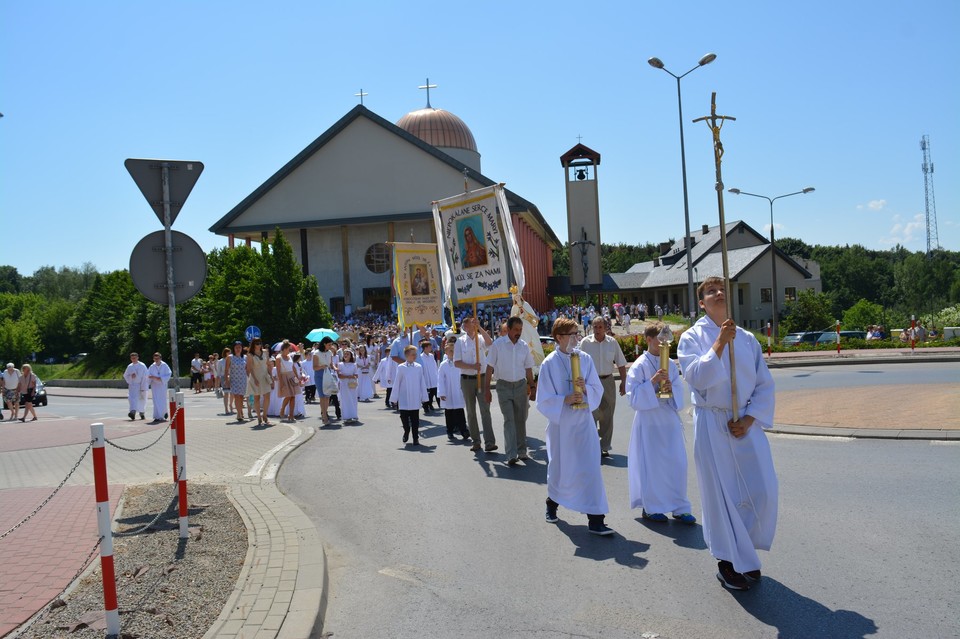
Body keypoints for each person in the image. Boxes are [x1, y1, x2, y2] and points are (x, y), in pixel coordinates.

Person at [677, 276, 778, 591]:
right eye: (711, 291)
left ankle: (744, 553)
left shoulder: (748, 339)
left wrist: (749, 419)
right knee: (723, 496)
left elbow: (764, 384)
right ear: (702, 301)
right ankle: (728, 561)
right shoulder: (691, 338)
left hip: (744, 424)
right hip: (713, 423)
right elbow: (697, 377)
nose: (718, 293)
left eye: (722, 289)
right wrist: (719, 344)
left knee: (761, 490)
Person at [537, 317, 613, 536]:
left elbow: (597, 389)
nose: (576, 337)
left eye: (577, 333)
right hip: (562, 426)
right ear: (559, 337)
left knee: (590, 467)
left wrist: (586, 389)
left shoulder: (585, 359)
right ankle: (552, 503)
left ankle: (596, 519)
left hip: (583, 423)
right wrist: (563, 400)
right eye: (572, 334)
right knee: (561, 468)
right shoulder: (549, 363)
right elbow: (543, 399)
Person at [626, 323, 696, 525]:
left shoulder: (671, 364)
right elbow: (633, 397)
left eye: (666, 338)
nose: (664, 342)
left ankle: (679, 507)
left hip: (668, 419)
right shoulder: (639, 365)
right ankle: (652, 507)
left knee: (677, 463)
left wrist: (670, 388)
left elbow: (679, 391)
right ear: (649, 340)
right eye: (660, 338)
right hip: (649, 420)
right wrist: (654, 381)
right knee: (653, 465)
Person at [484, 316, 535, 465]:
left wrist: (532, 386)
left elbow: (528, 368)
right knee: (509, 420)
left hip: (520, 386)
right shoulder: (498, 345)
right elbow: (489, 368)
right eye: (515, 330)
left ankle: (521, 451)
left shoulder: (524, 346)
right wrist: (487, 390)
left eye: (520, 330)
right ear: (509, 330)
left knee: (520, 419)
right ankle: (511, 454)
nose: (518, 332)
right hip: (503, 387)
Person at [578, 316, 627, 459]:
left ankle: (604, 446)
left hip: (608, 381)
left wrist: (624, 382)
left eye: (600, 327)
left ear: (606, 328)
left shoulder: (612, 343)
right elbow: (576, 363)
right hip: (590, 383)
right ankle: (593, 445)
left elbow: (621, 363)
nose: (597, 329)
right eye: (595, 326)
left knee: (607, 414)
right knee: (591, 414)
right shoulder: (585, 343)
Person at [454, 316, 496, 453]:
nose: (469, 328)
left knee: (485, 410)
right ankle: (476, 441)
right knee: (471, 412)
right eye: (467, 326)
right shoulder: (460, 342)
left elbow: (490, 343)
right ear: (464, 327)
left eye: (471, 325)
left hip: (482, 378)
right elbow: (457, 362)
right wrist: (472, 366)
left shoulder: (480, 338)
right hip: (467, 379)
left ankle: (489, 442)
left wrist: (480, 328)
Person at [393, 345, 428, 445]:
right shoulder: (401, 367)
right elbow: (397, 382)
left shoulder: (418, 367)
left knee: (415, 419)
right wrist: (394, 398)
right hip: (404, 397)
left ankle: (415, 438)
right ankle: (406, 430)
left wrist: (424, 396)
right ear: (407, 355)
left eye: (415, 354)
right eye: (413, 354)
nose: (415, 356)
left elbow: (422, 382)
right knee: (404, 417)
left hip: (415, 396)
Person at [438, 339, 469, 441]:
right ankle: (450, 431)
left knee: (460, 411)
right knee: (449, 413)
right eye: (450, 351)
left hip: (458, 390)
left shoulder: (460, 363)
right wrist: (441, 393)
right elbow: (440, 380)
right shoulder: (443, 365)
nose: (452, 353)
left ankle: (463, 430)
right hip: (448, 392)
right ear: (446, 352)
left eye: (454, 350)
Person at [246, 338, 274, 426]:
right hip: (256, 377)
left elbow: (268, 364)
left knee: (267, 396)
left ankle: (265, 415)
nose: (259, 345)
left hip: (265, 376)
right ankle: (258, 417)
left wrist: (271, 376)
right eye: (257, 343)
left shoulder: (265, 352)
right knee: (256, 398)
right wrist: (254, 379)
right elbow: (250, 368)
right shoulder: (250, 355)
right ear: (253, 345)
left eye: (260, 343)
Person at [313, 336, 335, 424]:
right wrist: (322, 366)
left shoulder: (330, 352)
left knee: (327, 396)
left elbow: (331, 364)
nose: (330, 346)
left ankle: (325, 412)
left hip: (328, 373)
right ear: (324, 344)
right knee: (322, 396)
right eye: (329, 345)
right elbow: (314, 367)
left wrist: (336, 368)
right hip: (319, 374)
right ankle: (324, 416)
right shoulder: (316, 353)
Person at [275, 340, 297, 424]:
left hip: (291, 376)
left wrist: (297, 377)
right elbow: (278, 371)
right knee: (288, 395)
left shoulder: (289, 356)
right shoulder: (278, 357)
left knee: (293, 396)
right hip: (284, 377)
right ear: (284, 349)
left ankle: (291, 415)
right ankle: (282, 409)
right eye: (288, 349)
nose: (290, 350)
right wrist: (281, 383)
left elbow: (293, 367)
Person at [224, 342, 248, 421]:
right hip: (234, 379)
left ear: (242, 348)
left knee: (241, 397)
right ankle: (238, 414)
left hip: (243, 379)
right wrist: (226, 380)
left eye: (239, 347)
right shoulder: (230, 357)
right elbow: (226, 369)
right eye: (236, 347)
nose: (238, 349)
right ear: (234, 348)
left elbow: (247, 369)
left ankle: (240, 411)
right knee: (236, 396)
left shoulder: (245, 357)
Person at [147, 353, 172, 422]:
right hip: (154, 385)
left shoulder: (164, 365)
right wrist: (151, 378)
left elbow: (169, 373)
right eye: (155, 358)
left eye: (157, 358)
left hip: (162, 385)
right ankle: (157, 416)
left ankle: (164, 414)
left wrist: (161, 378)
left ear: (160, 358)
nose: (156, 360)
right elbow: (148, 375)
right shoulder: (152, 366)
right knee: (156, 400)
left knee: (162, 399)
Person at [123, 352, 148, 420]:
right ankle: (132, 412)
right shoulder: (130, 366)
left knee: (142, 399)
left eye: (134, 358)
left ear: (137, 358)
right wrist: (131, 376)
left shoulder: (142, 365)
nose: (133, 359)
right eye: (132, 358)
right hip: (133, 385)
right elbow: (125, 375)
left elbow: (145, 376)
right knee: (132, 399)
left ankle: (142, 413)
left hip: (141, 384)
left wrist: (143, 387)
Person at [337, 348, 360, 423]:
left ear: (351, 356)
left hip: (352, 385)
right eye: (345, 354)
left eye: (347, 354)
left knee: (353, 400)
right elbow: (339, 375)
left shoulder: (354, 365)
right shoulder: (340, 364)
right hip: (344, 384)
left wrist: (353, 376)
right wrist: (347, 377)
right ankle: (346, 416)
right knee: (345, 400)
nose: (346, 355)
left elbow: (356, 375)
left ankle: (354, 415)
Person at [420, 340, 439, 412]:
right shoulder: (421, 357)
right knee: (427, 392)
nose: (431, 348)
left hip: (433, 375)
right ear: (425, 348)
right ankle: (425, 406)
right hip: (426, 376)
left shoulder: (431, 356)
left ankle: (430, 404)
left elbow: (434, 366)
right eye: (429, 347)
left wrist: (436, 374)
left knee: (433, 392)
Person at [218, 347, 232, 414]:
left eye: (230, 352)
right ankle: (226, 409)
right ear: (225, 353)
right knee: (226, 393)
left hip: (232, 376)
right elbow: (219, 372)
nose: (230, 354)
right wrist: (217, 384)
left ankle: (231, 406)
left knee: (233, 394)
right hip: (224, 377)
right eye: (228, 352)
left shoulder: (232, 359)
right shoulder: (221, 361)